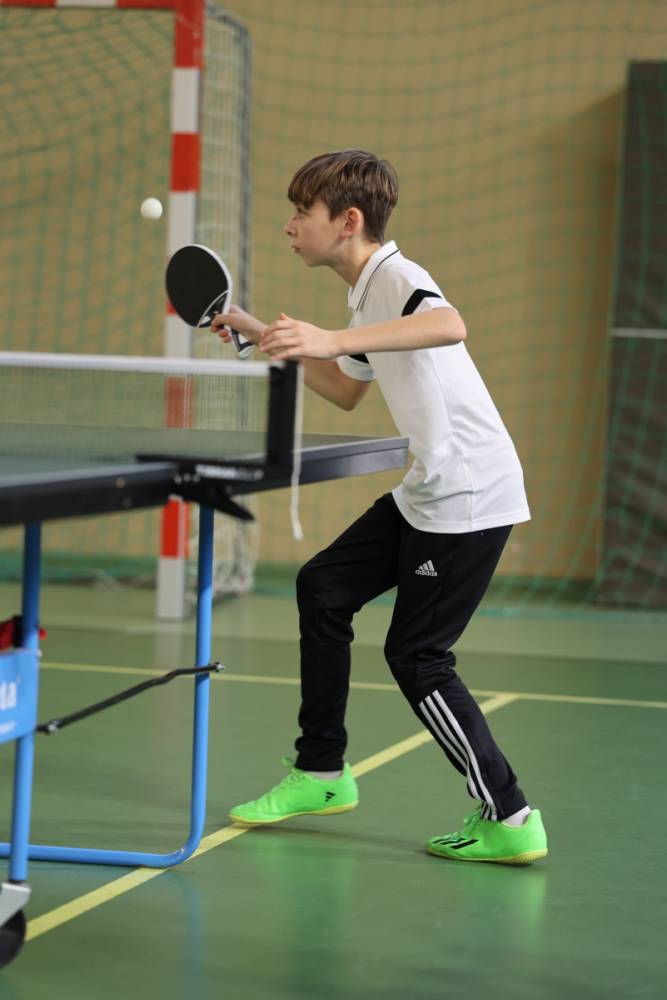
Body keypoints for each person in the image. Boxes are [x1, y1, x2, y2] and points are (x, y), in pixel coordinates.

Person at [212, 149, 547, 865]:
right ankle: (321, 772)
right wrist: (261, 332)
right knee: (323, 588)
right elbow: (345, 390)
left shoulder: (397, 276)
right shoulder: (364, 294)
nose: (289, 225)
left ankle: (510, 815)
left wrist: (332, 338)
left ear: (348, 221)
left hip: (467, 495)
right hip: (428, 489)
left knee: (418, 657)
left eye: (302, 211)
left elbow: (449, 324)